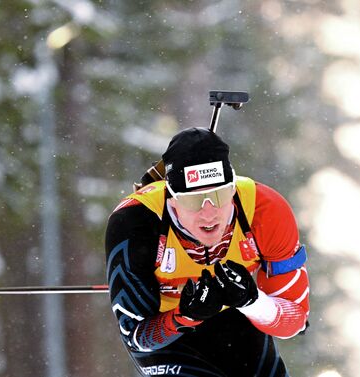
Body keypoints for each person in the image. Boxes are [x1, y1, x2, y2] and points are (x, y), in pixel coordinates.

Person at [105, 127, 310, 377]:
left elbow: (295, 323)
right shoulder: (136, 222)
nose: (209, 212)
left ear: (233, 188)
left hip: (238, 322)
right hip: (169, 336)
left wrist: (252, 301)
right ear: (171, 199)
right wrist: (184, 316)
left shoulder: (264, 210)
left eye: (219, 194)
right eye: (193, 199)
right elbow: (136, 336)